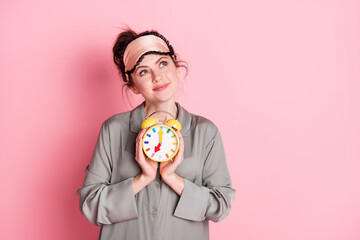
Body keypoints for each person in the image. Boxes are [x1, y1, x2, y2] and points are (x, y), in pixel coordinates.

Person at [77, 28, 236, 240]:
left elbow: (221, 205)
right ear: (132, 85)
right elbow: (90, 204)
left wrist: (172, 179)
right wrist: (144, 178)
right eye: (143, 71)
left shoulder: (205, 132)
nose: (157, 76)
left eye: (162, 63)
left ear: (177, 67)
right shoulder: (113, 129)